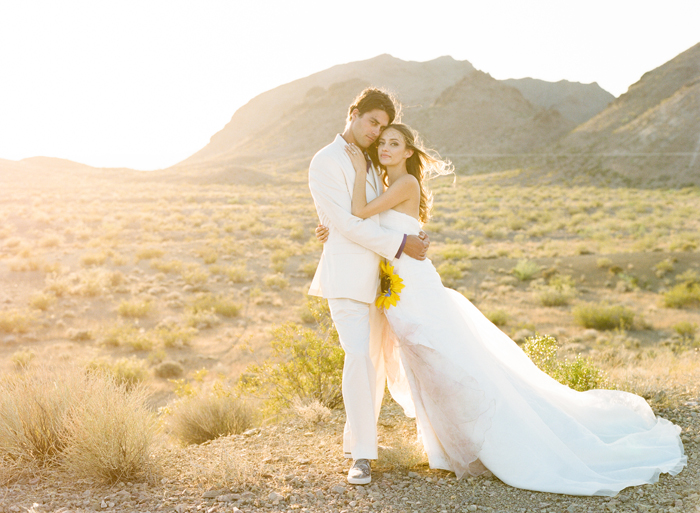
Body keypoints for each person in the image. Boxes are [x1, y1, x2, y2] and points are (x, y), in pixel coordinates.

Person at [315, 123, 686, 496]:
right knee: (429, 365)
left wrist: (359, 172)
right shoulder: (386, 182)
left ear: (409, 152)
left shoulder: (403, 184)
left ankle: (495, 441)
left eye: (394, 143)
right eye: (381, 143)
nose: (385, 149)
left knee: (449, 361)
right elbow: (361, 221)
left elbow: (359, 212)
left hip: (415, 286)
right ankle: (446, 446)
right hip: (400, 289)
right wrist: (329, 227)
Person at [307, 88, 430, 485]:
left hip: (382, 280)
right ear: (354, 114)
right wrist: (400, 244)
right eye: (372, 122)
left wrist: (412, 234)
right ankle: (362, 456)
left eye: (383, 127)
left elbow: (389, 212)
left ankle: (354, 441)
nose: (377, 132)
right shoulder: (324, 161)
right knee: (359, 356)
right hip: (346, 278)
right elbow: (346, 222)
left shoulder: (375, 165)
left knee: (373, 365)